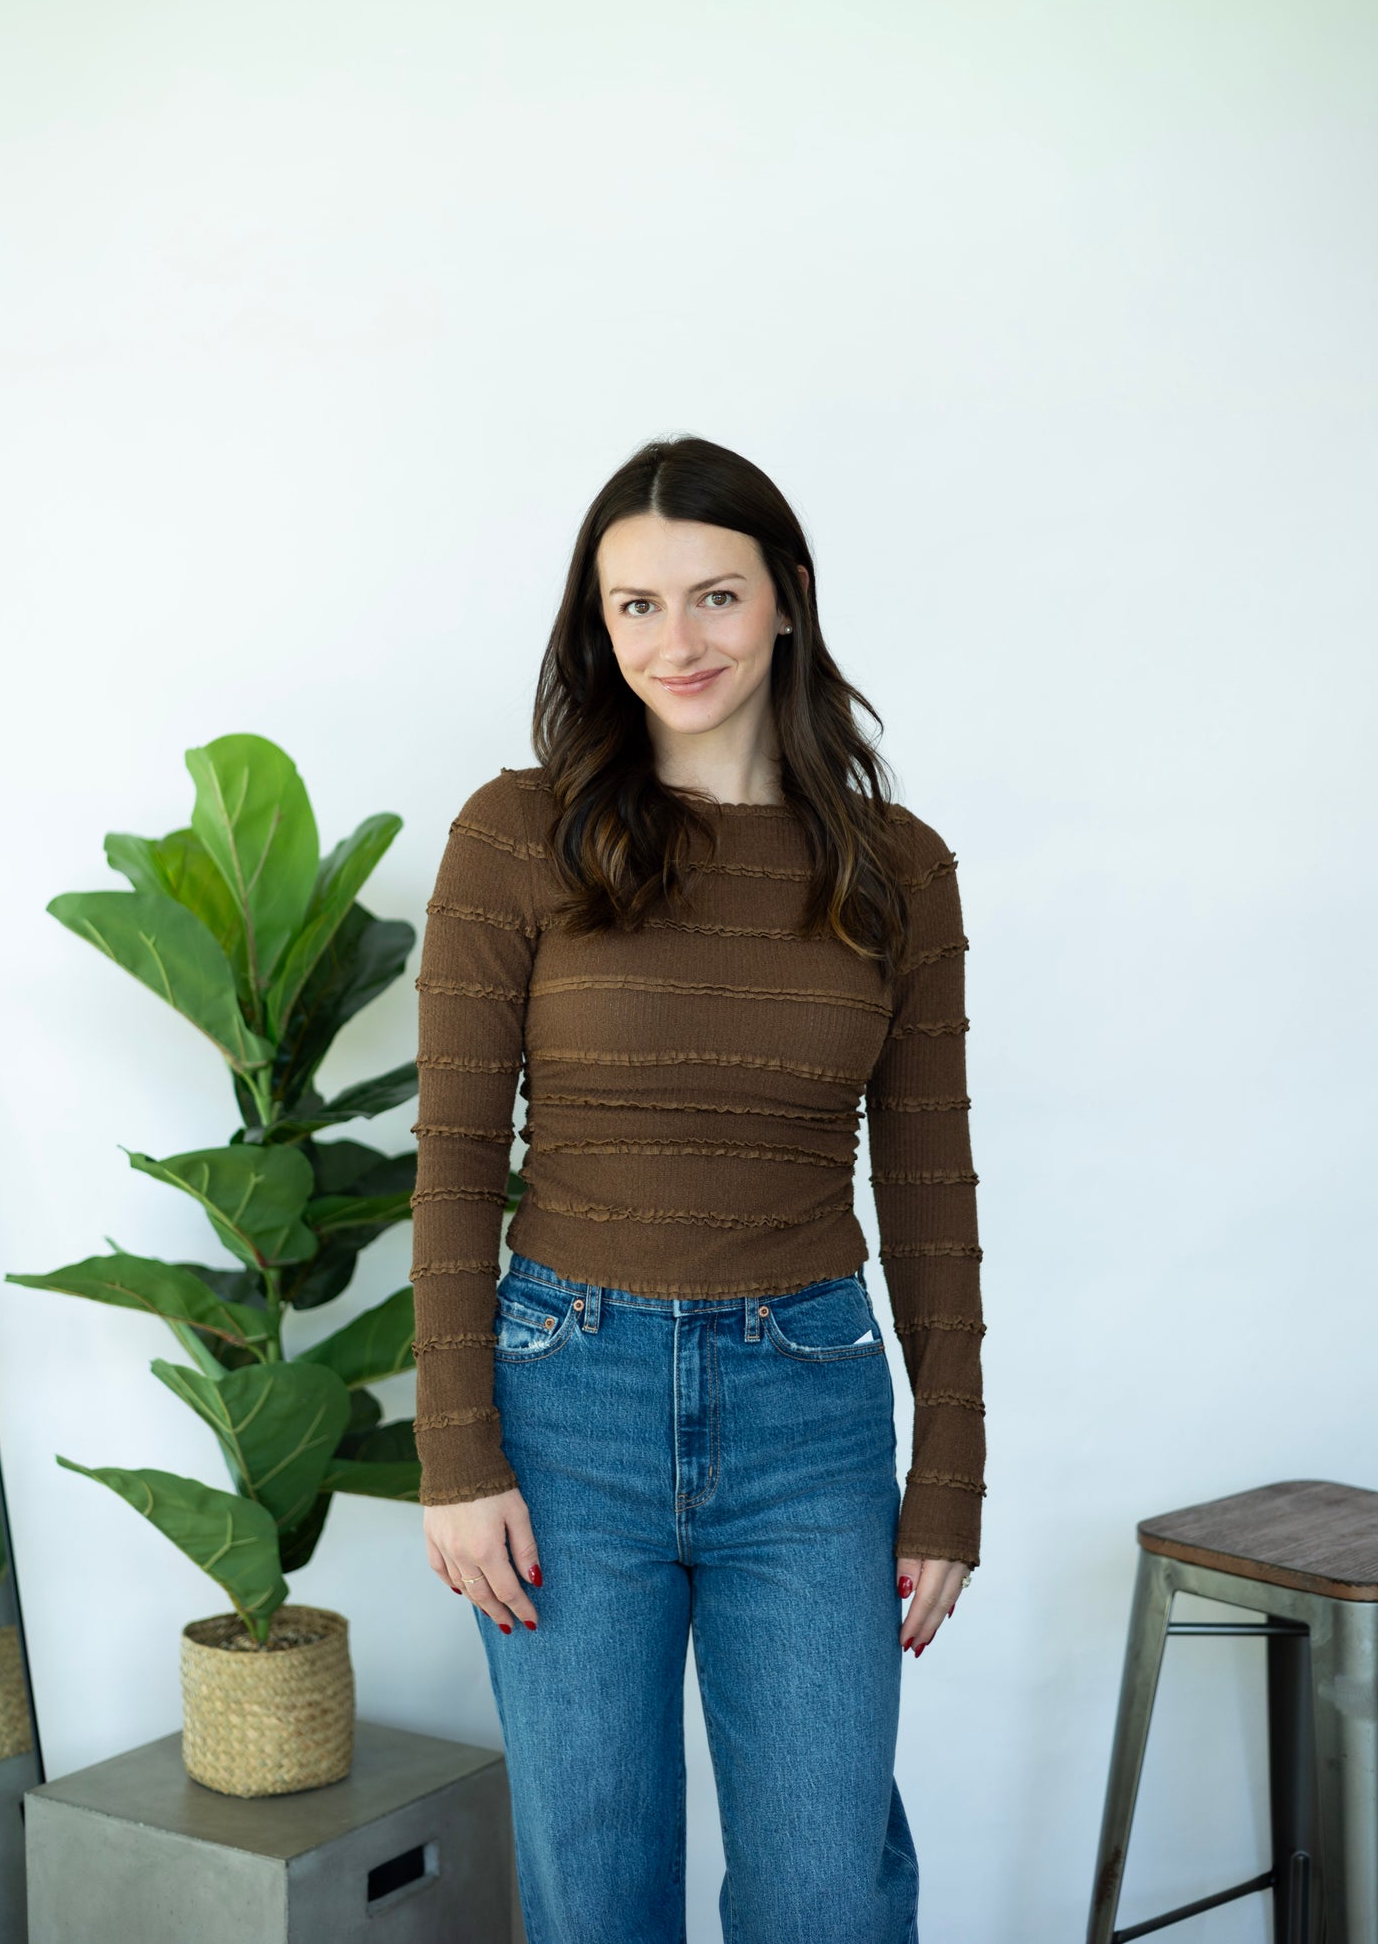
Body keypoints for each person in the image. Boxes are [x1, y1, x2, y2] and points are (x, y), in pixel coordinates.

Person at [409, 434, 985, 1944]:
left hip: (809, 1411)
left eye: (716, 596)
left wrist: (953, 1479)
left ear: (788, 600)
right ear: (597, 628)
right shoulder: (516, 834)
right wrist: (457, 1454)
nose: (681, 641)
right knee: (596, 1893)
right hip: (562, 1401)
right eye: (637, 606)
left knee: (823, 1895)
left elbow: (929, 1189)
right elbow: (460, 1161)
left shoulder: (897, 868)